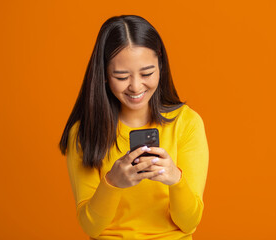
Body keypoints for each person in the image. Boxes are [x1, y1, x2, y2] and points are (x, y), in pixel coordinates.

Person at [59, 15, 209, 240]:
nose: (136, 86)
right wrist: (112, 183)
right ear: (104, 75)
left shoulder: (186, 123)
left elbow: (189, 222)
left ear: (161, 64)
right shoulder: (84, 132)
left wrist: (175, 179)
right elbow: (91, 226)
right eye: (121, 76)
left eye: (147, 73)